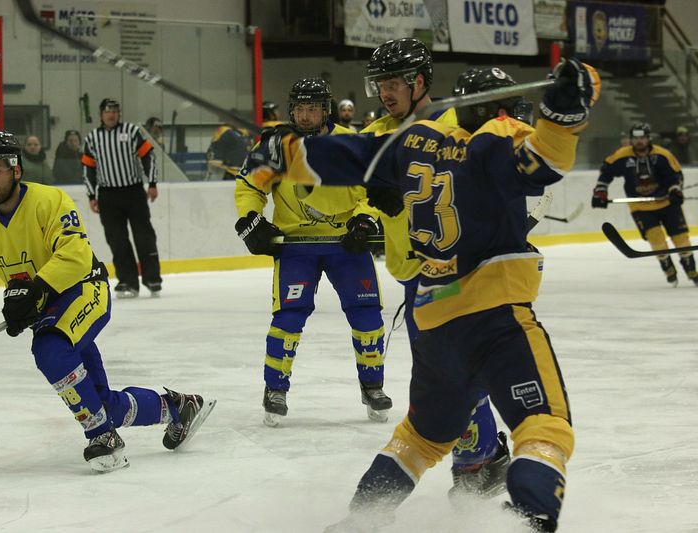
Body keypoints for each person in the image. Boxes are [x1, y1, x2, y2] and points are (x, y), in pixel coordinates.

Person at [246, 55, 600, 532]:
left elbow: (340, 155)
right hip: (494, 311)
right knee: (544, 425)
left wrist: (285, 151)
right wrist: (564, 112)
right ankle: (530, 520)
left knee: (418, 439)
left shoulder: (411, 140)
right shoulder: (497, 138)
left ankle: (362, 519)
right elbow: (547, 160)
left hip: (433, 309)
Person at [0, 131, 214, 473]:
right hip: (46, 308)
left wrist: (35, 289)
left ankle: (103, 436)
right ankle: (178, 408)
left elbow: (75, 254)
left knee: (50, 349)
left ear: (15, 169)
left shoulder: (49, 201)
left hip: (84, 289)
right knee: (99, 402)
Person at [358, 39, 510, 500]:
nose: (385, 92)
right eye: (380, 83)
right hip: (413, 274)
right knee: (449, 371)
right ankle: (483, 459)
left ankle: (480, 460)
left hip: (456, 273)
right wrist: (362, 212)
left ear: (419, 81)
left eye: (393, 83)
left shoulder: (457, 122)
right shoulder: (376, 134)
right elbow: (348, 193)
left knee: (452, 369)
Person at [234, 77, 391, 427]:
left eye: (313, 109)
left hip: (346, 243)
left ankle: (373, 386)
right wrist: (250, 219)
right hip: (296, 246)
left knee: (367, 315)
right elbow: (249, 186)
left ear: (326, 110)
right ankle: (275, 389)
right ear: (292, 111)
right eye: (300, 109)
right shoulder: (275, 145)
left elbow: (374, 188)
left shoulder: (351, 141)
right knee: (289, 318)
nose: (305, 116)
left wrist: (364, 219)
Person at [592, 122, 697, 286]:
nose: (639, 141)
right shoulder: (622, 156)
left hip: (667, 203)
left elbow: (675, 175)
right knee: (656, 239)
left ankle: (691, 270)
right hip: (640, 207)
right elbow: (606, 171)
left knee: (681, 239)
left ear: (648, 138)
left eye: (642, 138)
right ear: (631, 139)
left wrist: (675, 190)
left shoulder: (662, 155)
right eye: (635, 138)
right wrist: (600, 190)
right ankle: (667, 266)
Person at [82, 98, 162, 298]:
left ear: (119, 114)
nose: (111, 115)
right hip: (108, 196)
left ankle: (152, 278)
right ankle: (127, 281)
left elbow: (148, 156)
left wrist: (152, 183)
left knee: (144, 236)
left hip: (133, 192)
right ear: (101, 115)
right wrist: (91, 195)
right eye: (107, 111)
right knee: (117, 240)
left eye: (115, 111)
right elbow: (88, 169)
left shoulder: (132, 131)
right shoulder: (92, 138)